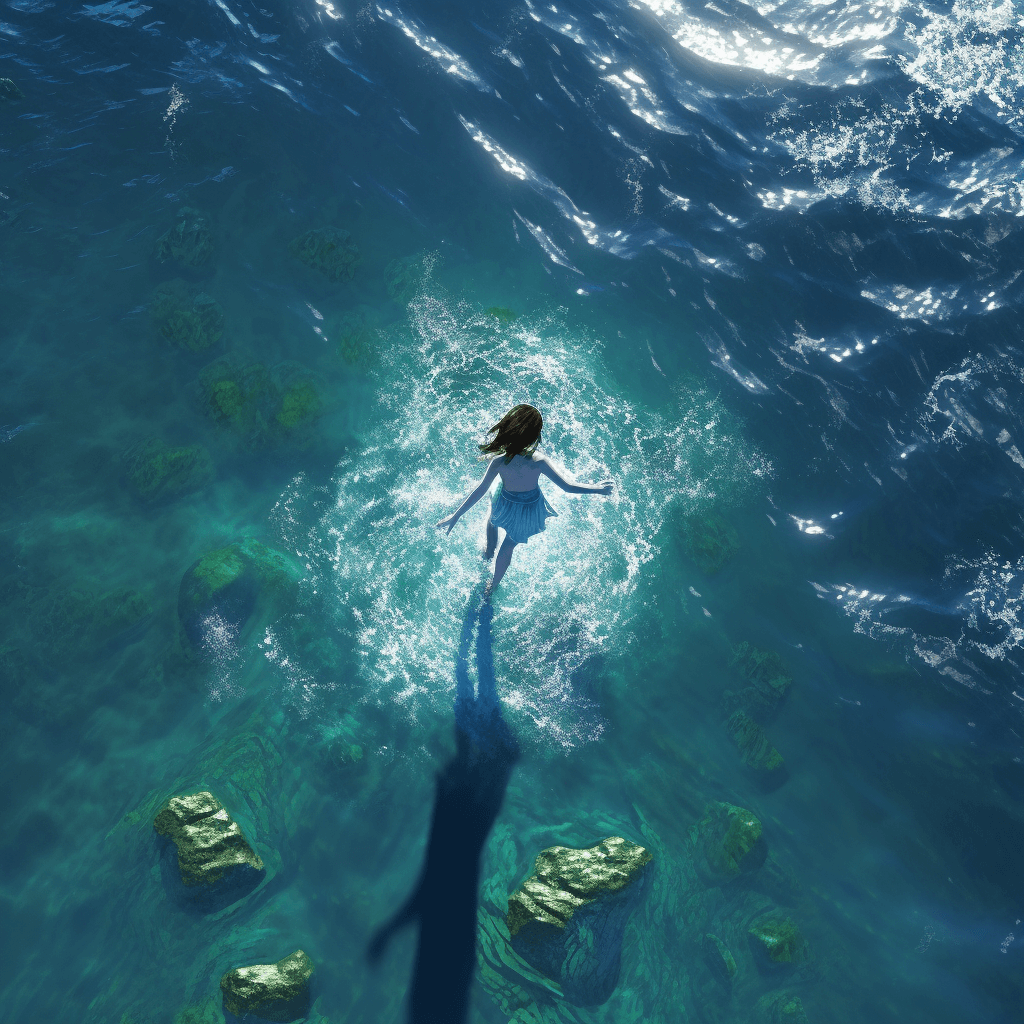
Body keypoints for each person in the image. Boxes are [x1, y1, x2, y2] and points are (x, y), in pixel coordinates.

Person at [436, 404, 613, 600]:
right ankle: (492, 587)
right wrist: (598, 489)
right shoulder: (539, 461)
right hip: (528, 510)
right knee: (509, 544)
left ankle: (488, 548)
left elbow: (480, 489)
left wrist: (456, 515)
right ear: (535, 436)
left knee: (493, 504)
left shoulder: (499, 461)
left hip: (505, 502)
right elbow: (568, 487)